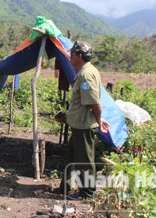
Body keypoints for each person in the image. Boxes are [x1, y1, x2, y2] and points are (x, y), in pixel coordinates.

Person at [59, 40, 108, 200]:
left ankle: (87, 193)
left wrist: (99, 120)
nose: (70, 57)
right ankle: (65, 188)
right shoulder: (84, 72)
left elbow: (94, 103)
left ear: (79, 56)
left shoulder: (86, 75)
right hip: (78, 123)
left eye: (72, 54)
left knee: (84, 161)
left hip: (84, 126)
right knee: (71, 157)